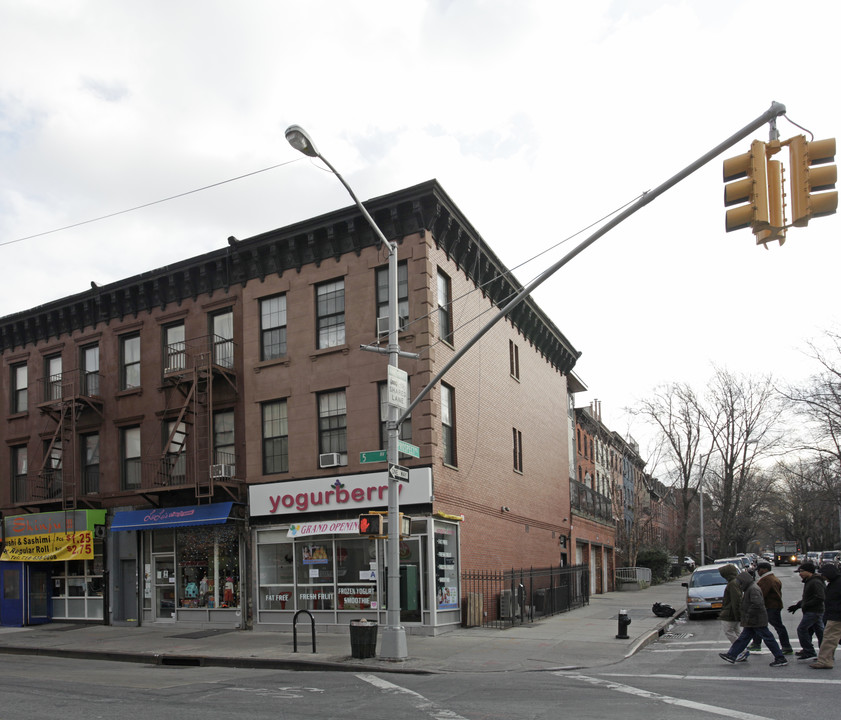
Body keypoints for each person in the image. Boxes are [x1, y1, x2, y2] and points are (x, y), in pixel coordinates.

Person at [719, 570, 788, 667]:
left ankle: (780, 658)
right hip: (753, 620)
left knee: (768, 638)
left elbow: (757, 604)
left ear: (744, 581)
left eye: (740, 582)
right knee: (743, 638)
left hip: (756, 620)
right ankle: (732, 655)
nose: (739, 584)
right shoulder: (750, 588)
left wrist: (747, 615)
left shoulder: (753, 589)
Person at [749, 561, 794, 655]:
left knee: (774, 626)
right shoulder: (773, 578)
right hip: (773, 605)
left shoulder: (767, 580)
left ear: (765, 569)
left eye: (760, 570)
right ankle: (756, 643)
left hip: (770, 606)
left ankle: (786, 646)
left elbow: (761, 593)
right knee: (760, 625)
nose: (758, 572)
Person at [788, 561, 826, 660]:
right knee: (819, 632)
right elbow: (809, 598)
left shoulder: (815, 582)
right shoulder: (810, 581)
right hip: (814, 611)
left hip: (814, 611)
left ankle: (809, 651)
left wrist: (805, 604)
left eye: (801, 571)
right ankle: (824, 653)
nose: (800, 574)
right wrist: (798, 605)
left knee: (802, 629)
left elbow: (820, 597)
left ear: (808, 572)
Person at [810, 562, 841, 669]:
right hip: (834, 615)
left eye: (824, 575)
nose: (823, 577)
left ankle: (824, 661)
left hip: (836, 616)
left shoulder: (836, 584)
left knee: (829, 639)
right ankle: (826, 659)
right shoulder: (835, 582)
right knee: (832, 638)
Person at [718, 564, 746, 660]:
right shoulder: (735, 582)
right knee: (737, 632)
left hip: (730, 613)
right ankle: (742, 651)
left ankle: (740, 651)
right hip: (732, 612)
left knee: (729, 631)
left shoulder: (732, 584)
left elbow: (736, 600)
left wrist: (737, 614)